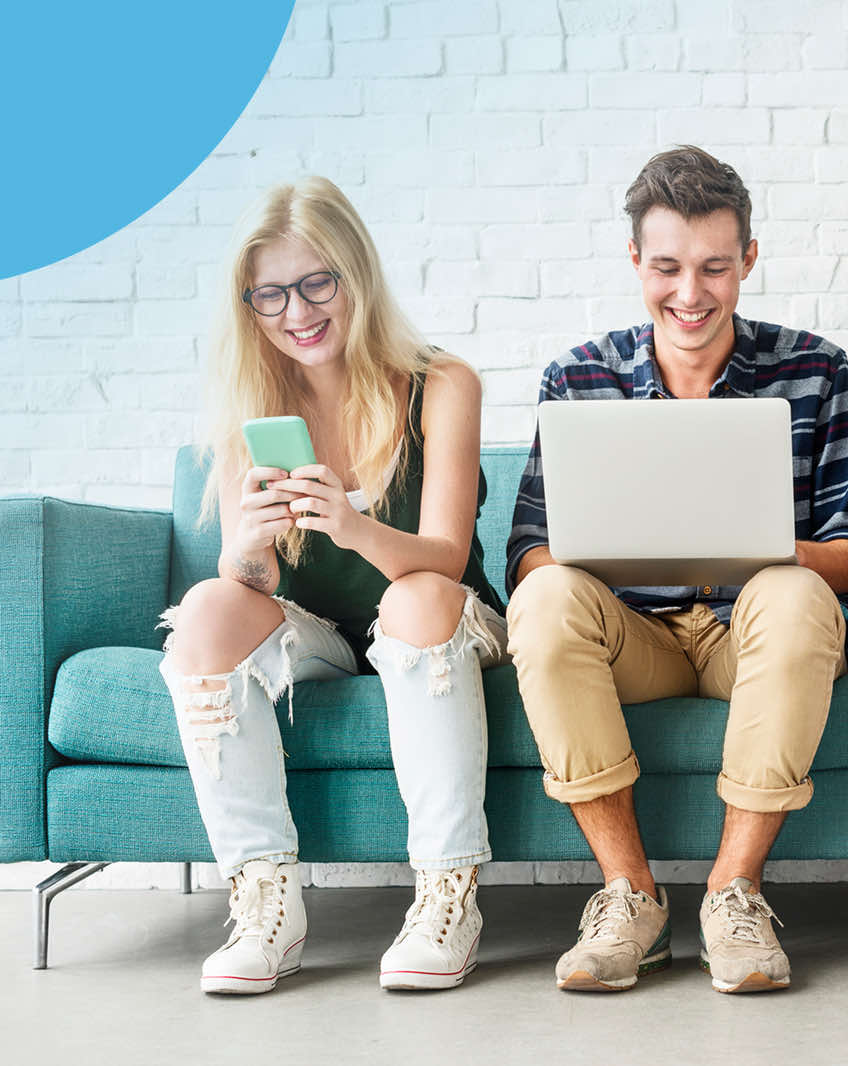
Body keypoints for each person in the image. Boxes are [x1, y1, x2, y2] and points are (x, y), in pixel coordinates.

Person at [504, 146, 848, 994]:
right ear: (634, 261)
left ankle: (733, 893)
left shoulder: (814, 369)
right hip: (631, 635)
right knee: (543, 599)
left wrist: (763, 544)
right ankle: (628, 898)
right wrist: (593, 551)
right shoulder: (578, 376)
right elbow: (526, 551)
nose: (690, 293)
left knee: (793, 591)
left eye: (715, 268)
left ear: (748, 259)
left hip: (752, 635)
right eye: (668, 267)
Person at [158, 176, 507, 994]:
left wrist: (349, 525)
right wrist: (245, 546)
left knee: (414, 598)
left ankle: (446, 897)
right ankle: (265, 904)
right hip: (324, 635)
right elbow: (256, 587)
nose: (297, 312)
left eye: (317, 283)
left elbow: (447, 558)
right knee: (208, 605)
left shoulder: (442, 381)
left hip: (444, 619)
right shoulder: (259, 398)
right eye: (271, 293)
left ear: (357, 276)